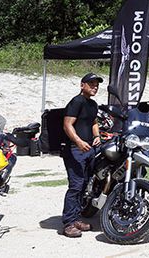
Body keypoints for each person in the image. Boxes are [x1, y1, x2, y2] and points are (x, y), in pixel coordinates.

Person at [61, 73, 102, 238]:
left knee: (85, 185)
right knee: (76, 186)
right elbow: (67, 124)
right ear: (82, 85)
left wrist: (97, 136)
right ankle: (68, 224)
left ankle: (76, 218)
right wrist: (78, 142)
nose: (95, 86)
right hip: (74, 150)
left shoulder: (93, 104)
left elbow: (93, 122)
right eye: (91, 83)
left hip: (89, 149)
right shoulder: (76, 101)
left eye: (96, 84)